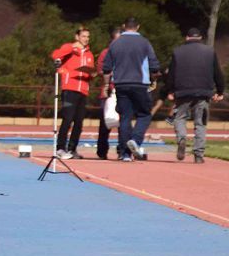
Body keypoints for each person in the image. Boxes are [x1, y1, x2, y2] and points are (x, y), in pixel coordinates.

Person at [102, 17, 160, 162]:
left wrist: (106, 85)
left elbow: (106, 68)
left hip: (121, 84)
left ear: (124, 26)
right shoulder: (144, 43)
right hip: (140, 83)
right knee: (144, 114)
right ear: (138, 27)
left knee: (125, 117)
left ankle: (125, 153)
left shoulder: (115, 44)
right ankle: (136, 139)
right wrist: (154, 76)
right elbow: (154, 66)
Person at [166, 27, 225, 164]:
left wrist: (169, 91)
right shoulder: (209, 52)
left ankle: (181, 139)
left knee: (180, 118)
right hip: (203, 94)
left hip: (182, 93)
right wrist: (220, 91)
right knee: (201, 123)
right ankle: (198, 154)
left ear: (187, 37)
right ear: (200, 38)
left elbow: (171, 74)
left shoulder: (178, 51)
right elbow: (217, 73)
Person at [50, 27, 95, 159]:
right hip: (70, 88)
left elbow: (90, 73)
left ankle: (72, 149)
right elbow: (55, 55)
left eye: (88, 36)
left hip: (83, 90)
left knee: (79, 122)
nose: (86, 39)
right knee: (67, 119)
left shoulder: (89, 54)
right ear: (77, 37)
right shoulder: (69, 48)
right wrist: (71, 47)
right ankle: (60, 148)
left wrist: (92, 74)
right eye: (83, 36)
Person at [96, 27, 121, 160]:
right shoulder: (105, 53)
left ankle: (122, 150)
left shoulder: (125, 53)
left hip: (122, 91)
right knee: (105, 123)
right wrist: (109, 73)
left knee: (123, 122)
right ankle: (102, 151)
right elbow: (100, 69)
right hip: (108, 92)